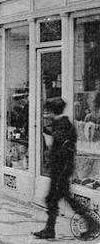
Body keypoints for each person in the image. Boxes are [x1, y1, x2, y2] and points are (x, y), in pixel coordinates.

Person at [33, 97, 100, 240]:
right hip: (61, 168)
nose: (46, 114)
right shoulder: (62, 123)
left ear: (52, 111)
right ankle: (50, 229)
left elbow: (62, 146)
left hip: (61, 169)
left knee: (59, 199)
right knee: (55, 199)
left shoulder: (62, 124)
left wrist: (49, 140)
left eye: (47, 111)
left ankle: (91, 223)